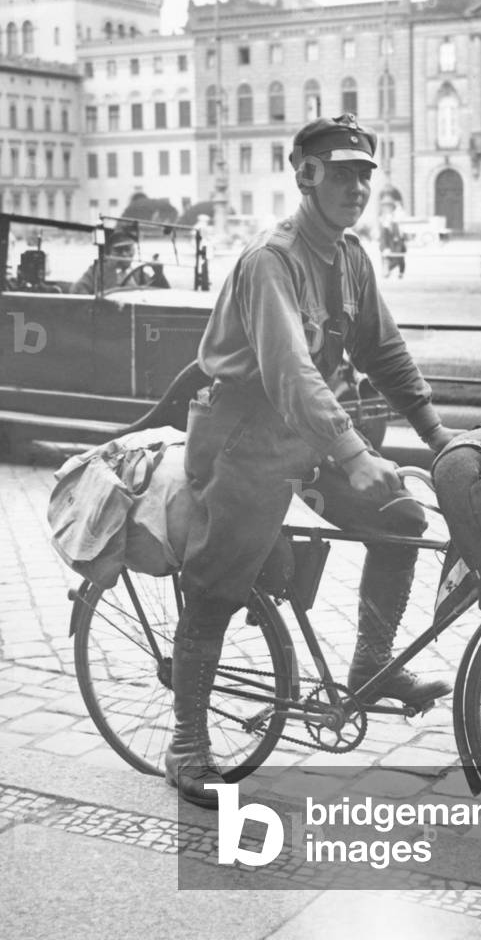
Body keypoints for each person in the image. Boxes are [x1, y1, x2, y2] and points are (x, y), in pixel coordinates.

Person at [167, 113, 461, 808]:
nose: (357, 186)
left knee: (402, 518)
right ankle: (186, 744)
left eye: (365, 174)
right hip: (244, 437)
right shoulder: (272, 260)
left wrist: (436, 433)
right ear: (306, 175)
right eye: (342, 172)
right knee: (217, 585)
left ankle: (372, 666)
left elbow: (383, 350)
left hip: (309, 436)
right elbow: (290, 372)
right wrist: (353, 452)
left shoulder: (350, 257)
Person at [70, 229, 135, 294]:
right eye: (119, 250)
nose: (124, 254)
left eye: (128, 249)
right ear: (109, 253)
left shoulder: (137, 272)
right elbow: (77, 289)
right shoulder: (98, 270)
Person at [379, 198, 408, 279]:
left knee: (399, 258)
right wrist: (385, 248)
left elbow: (398, 236)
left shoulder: (394, 224)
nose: (389, 219)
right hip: (389, 247)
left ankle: (398, 272)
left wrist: (399, 242)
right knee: (389, 259)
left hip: (397, 245)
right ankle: (387, 271)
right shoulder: (385, 227)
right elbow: (383, 239)